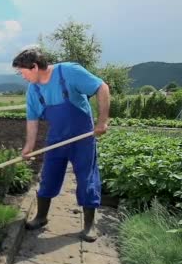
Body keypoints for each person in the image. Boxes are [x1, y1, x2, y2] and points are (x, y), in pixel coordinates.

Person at [12, 47, 110, 242]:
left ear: (34, 67)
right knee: (48, 176)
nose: (21, 76)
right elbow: (32, 119)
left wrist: (102, 121)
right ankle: (41, 217)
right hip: (56, 139)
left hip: (82, 138)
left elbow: (102, 87)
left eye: (21, 71)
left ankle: (89, 226)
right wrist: (29, 146)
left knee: (86, 179)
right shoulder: (33, 89)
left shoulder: (69, 72)